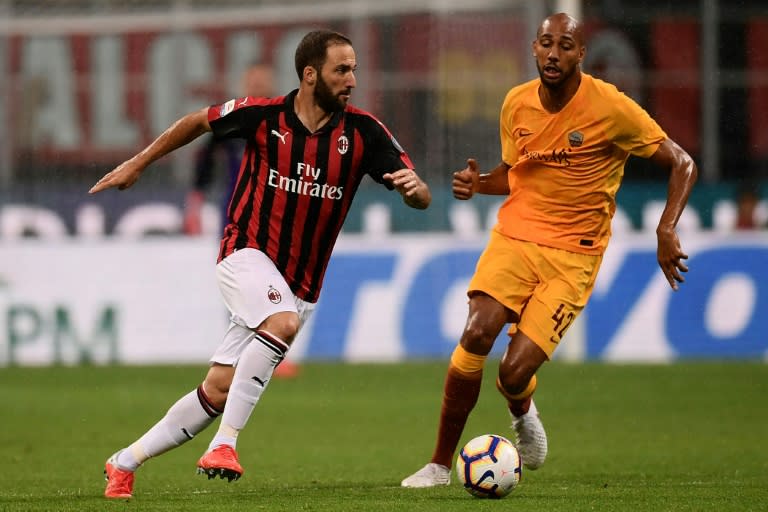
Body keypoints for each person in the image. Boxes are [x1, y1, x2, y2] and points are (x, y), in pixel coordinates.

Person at [90, 29, 431, 499]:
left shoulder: (364, 133)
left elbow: (419, 192)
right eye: (342, 69)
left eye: (354, 69)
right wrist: (137, 163)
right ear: (311, 75)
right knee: (281, 321)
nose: (352, 79)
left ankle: (124, 462)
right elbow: (196, 122)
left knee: (219, 388)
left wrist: (417, 192)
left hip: (301, 284)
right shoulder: (263, 116)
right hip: (244, 253)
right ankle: (224, 445)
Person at [401, 12, 697, 488]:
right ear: (534, 49)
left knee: (512, 372)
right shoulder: (516, 102)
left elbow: (682, 163)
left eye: (565, 45)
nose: (553, 54)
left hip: (574, 256)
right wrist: (480, 184)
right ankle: (438, 465)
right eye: (545, 44)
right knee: (477, 332)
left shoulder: (611, 107)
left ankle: (521, 407)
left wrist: (667, 228)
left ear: (582, 53)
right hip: (516, 237)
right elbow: (515, 174)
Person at [182, 62, 300, 378]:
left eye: (264, 80)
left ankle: (273, 353)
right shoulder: (234, 120)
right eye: (253, 80)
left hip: (276, 213)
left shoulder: (285, 121)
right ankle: (239, 355)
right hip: (236, 211)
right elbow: (204, 159)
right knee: (240, 284)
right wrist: (195, 200)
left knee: (279, 282)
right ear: (245, 83)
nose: (259, 85)